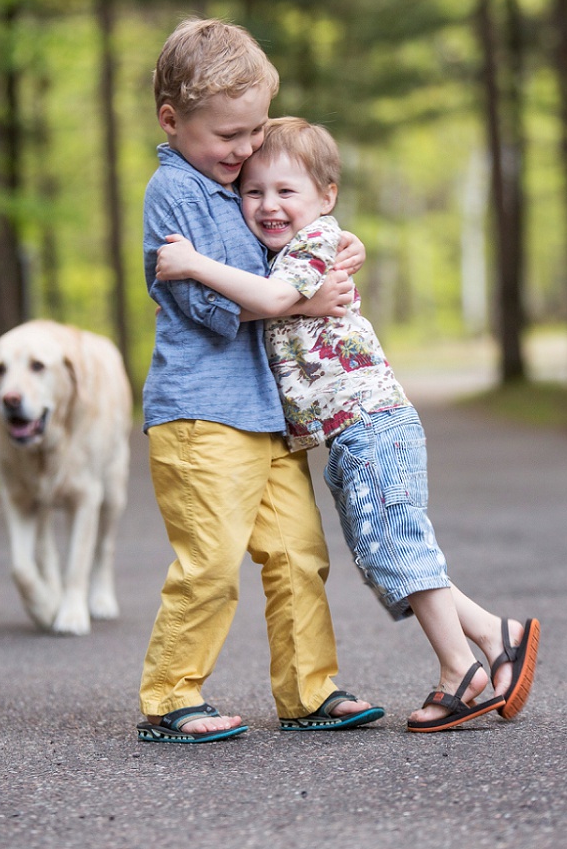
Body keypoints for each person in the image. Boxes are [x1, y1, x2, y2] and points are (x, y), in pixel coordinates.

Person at [156, 116, 540, 732]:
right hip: (352, 431)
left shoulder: (311, 248)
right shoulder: (292, 249)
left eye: (286, 192)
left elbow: (274, 300)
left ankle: (459, 672)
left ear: (326, 197)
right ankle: (497, 635)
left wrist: (194, 264)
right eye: (253, 193)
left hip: (370, 423)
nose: (268, 205)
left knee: (397, 548)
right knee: (386, 553)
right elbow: (275, 288)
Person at [137, 20, 385, 745]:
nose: (245, 150)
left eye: (253, 133)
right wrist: (306, 299)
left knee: (299, 553)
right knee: (210, 563)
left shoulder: (237, 181)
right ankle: (170, 696)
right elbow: (212, 308)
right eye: (229, 136)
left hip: (271, 414)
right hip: (201, 416)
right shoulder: (174, 193)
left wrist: (336, 243)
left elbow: (293, 237)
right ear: (172, 120)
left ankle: (309, 691)